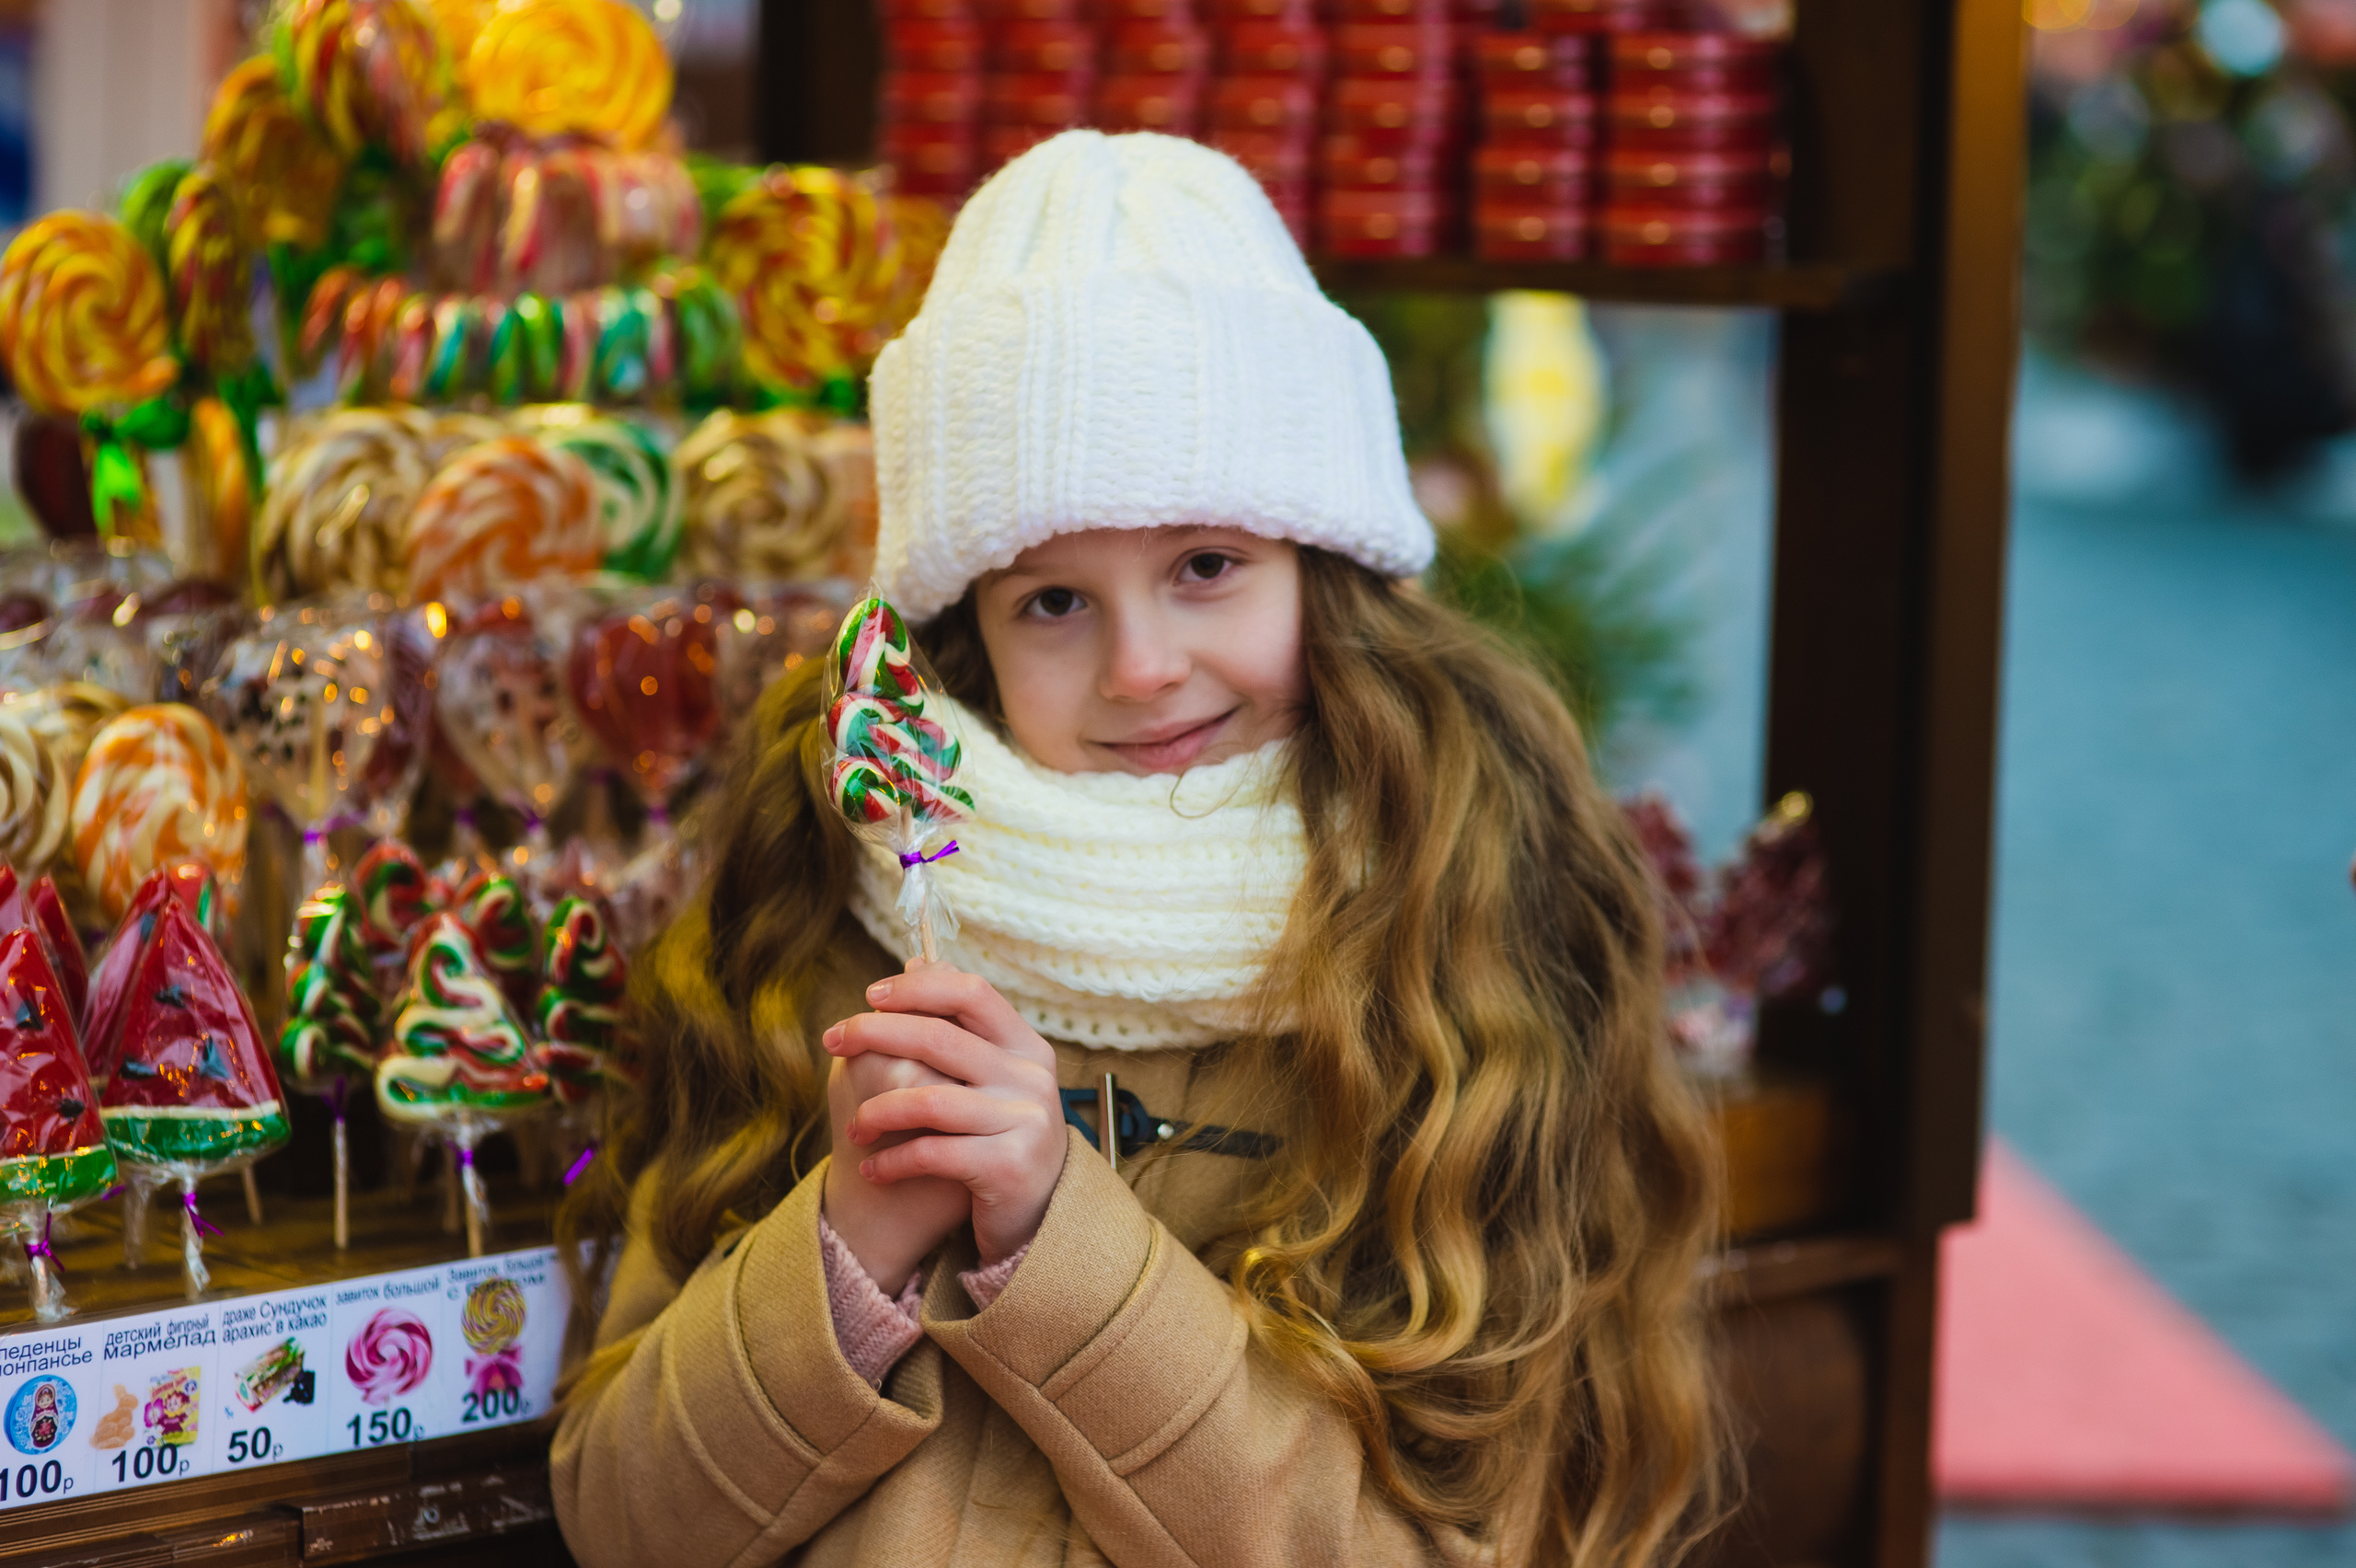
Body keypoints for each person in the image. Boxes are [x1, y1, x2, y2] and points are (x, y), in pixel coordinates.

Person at [553, 129, 1720, 1568]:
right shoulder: (825, 919)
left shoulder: (1459, 946)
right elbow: (621, 1523)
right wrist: (848, 1241)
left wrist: (1061, 1242)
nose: (1143, 666)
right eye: (1053, 601)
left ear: (1326, 571)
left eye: (1207, 567)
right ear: (963, 633)